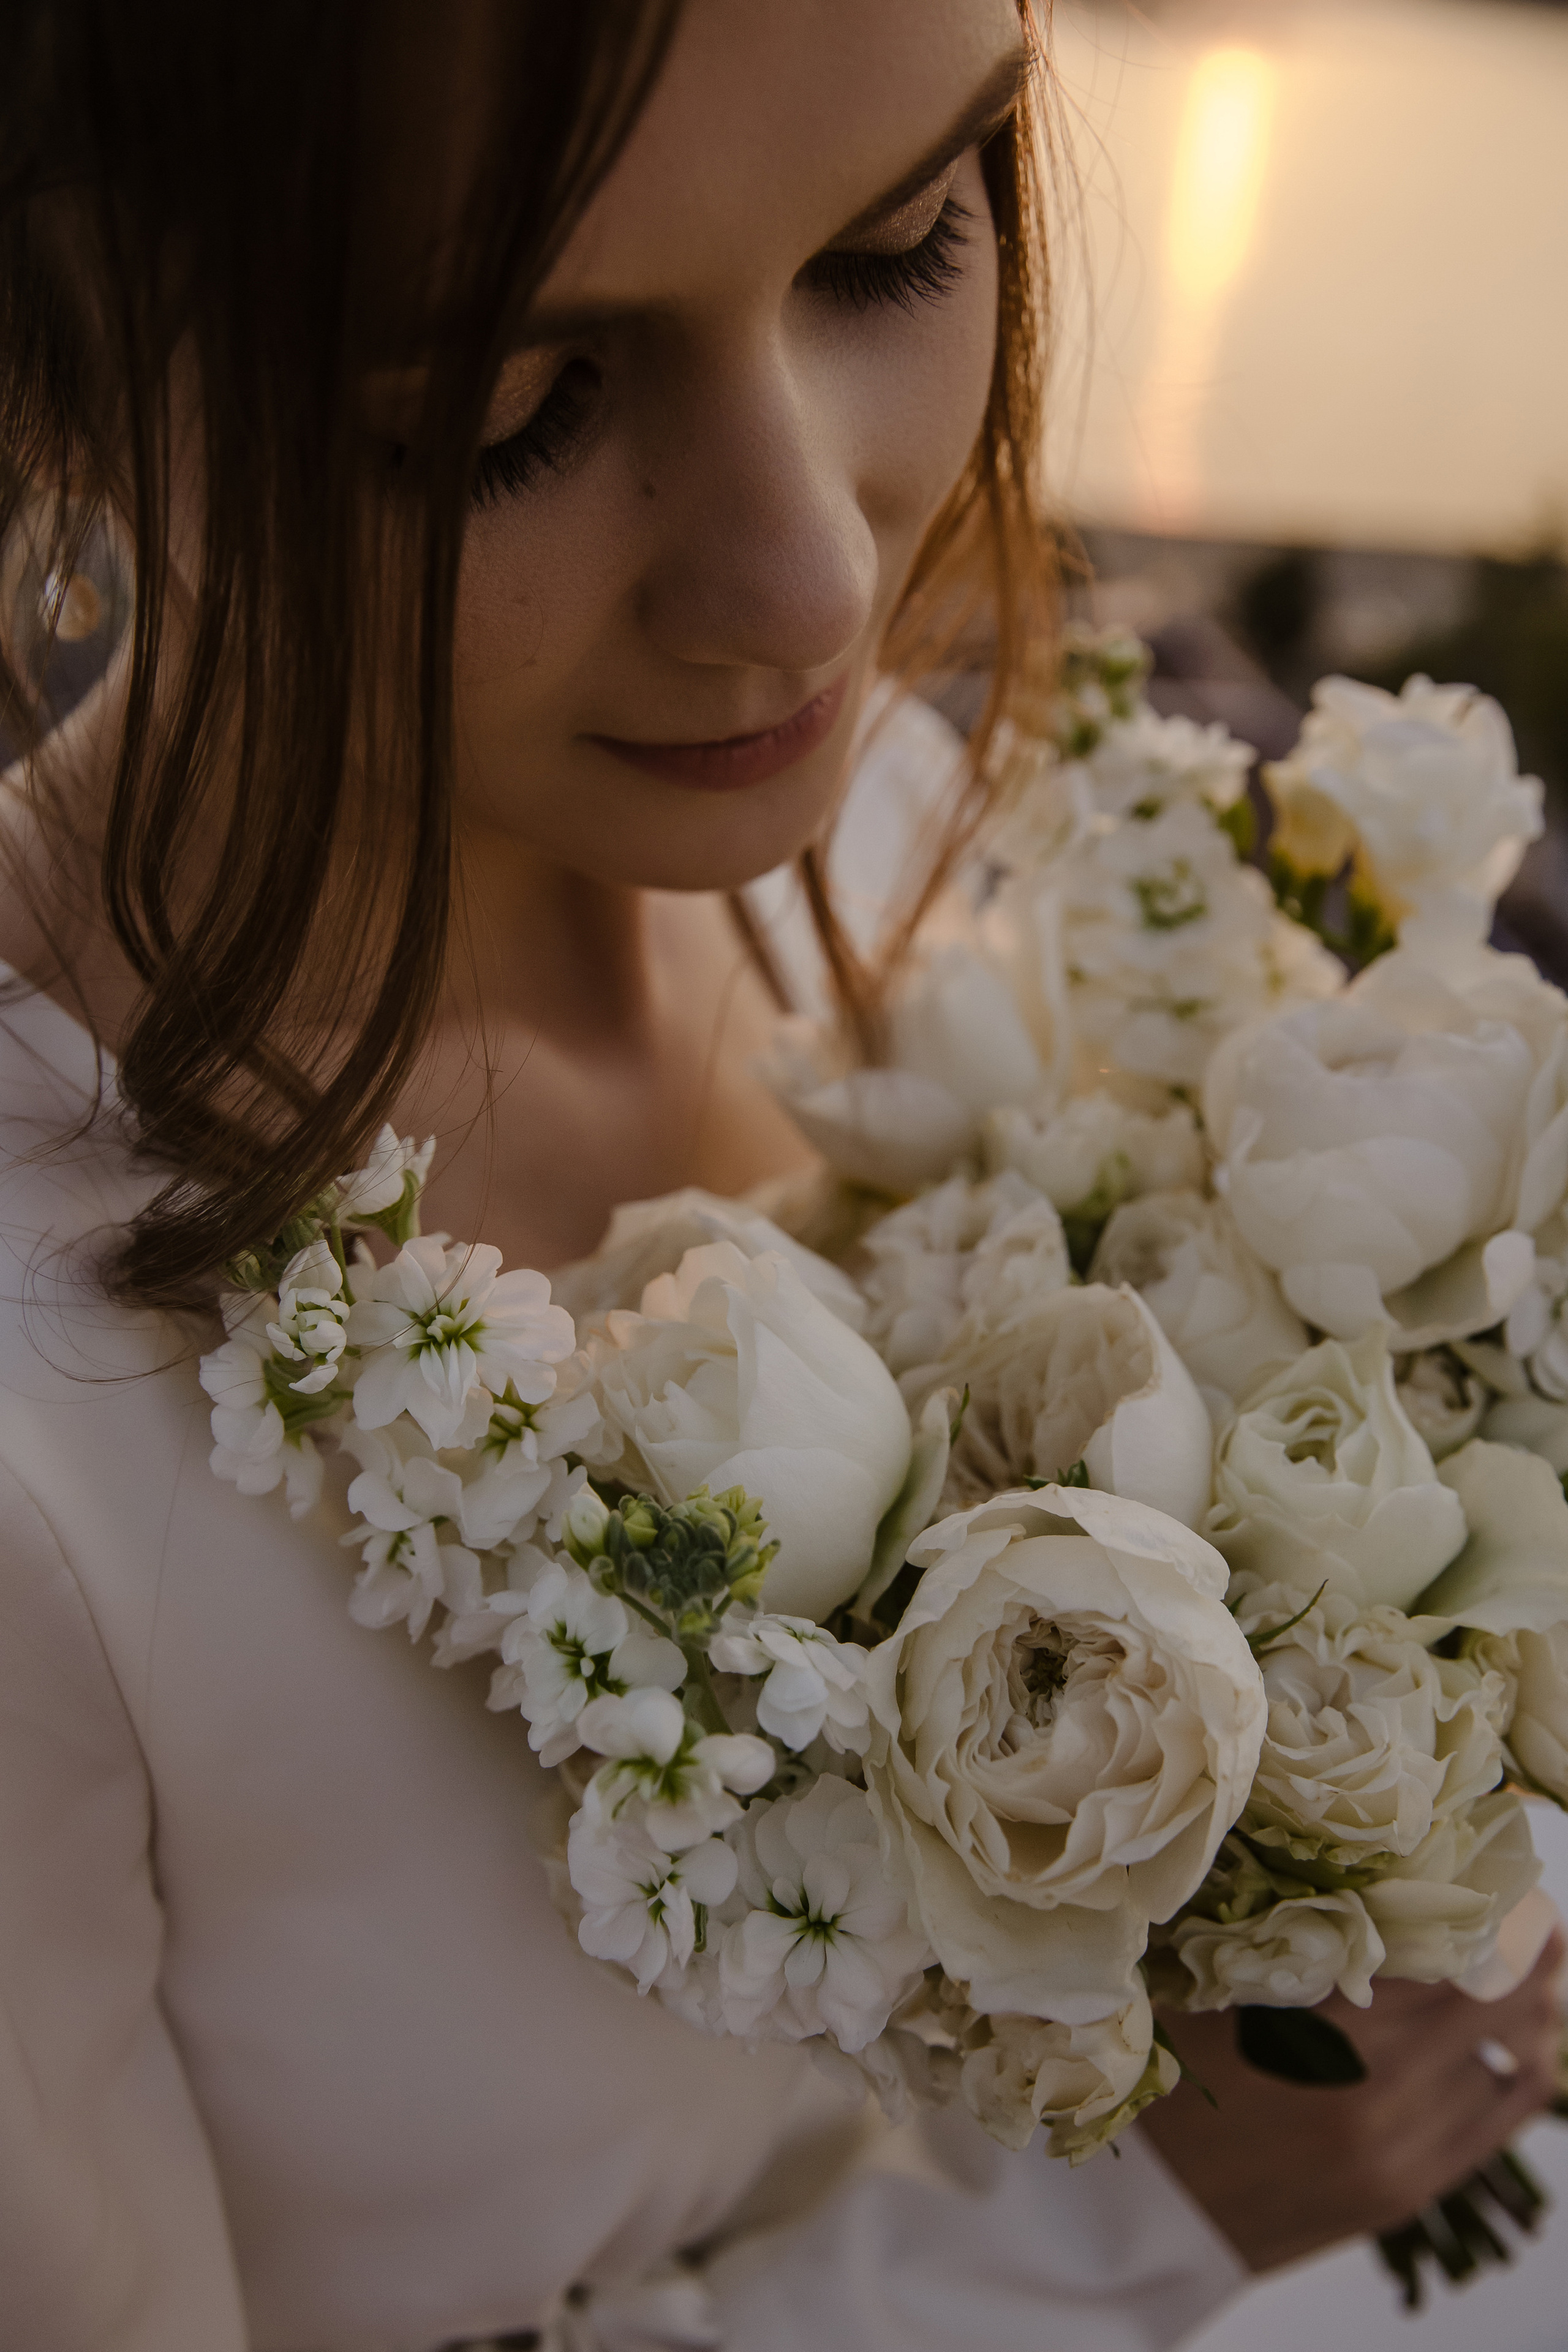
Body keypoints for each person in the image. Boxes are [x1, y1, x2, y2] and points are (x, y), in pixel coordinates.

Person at [0, 3, 1561, 2347]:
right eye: (500, 414)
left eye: (901, 245)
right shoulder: (43, 1424)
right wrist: (1120, 2231)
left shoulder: (953, 836)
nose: (817, 579)